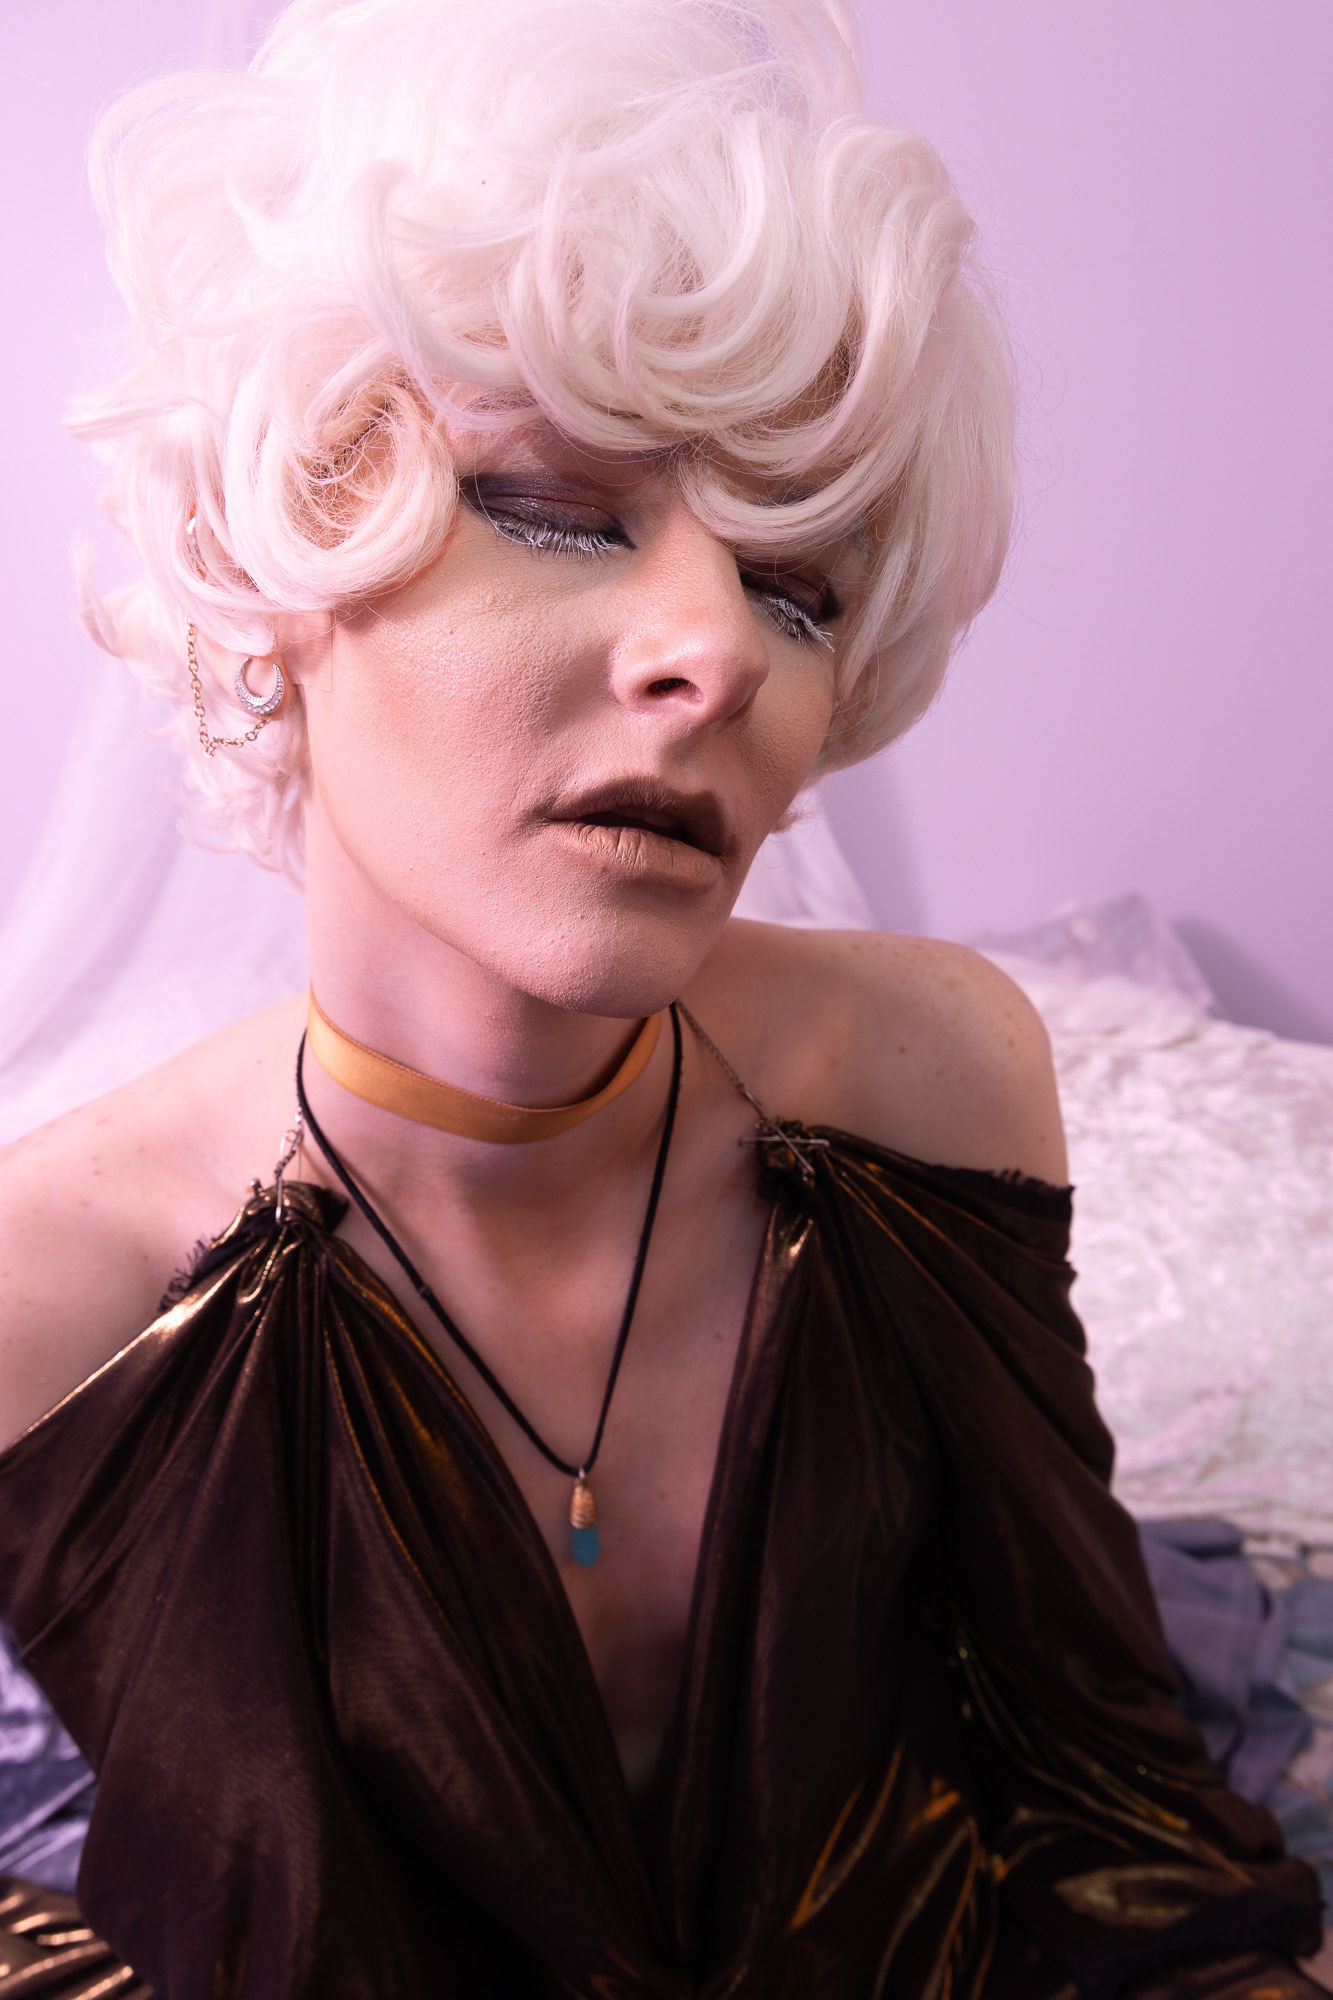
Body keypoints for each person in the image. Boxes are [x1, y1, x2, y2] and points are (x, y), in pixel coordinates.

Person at [0, 0, 1324, 1994]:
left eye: (798, 587)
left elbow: (1100, 1802)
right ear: (274, 560)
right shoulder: (55, 1292)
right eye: (553, 509)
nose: (717, 653)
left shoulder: (924, 1088)